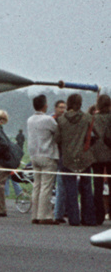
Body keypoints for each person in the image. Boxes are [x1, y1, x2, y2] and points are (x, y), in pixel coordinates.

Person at [55, 94, 95, 226]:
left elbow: (57, 139)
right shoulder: (87, 118)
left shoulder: (61, 120)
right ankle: (88, 218)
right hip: (84, 156)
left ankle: (73, 219)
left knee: (70, 189)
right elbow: (96, 134)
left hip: (67, 157)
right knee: (87, 188)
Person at [25, 94, 59, 225]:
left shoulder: (30, 119)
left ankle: (35, 214)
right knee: (46, 186)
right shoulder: (48, 120)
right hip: (47, 154)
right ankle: (44, 215)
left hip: (34, 155)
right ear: (45, 105)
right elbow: (57, 132)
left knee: (37, 186)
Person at [90, 94, 111, 225]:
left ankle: (99, 215)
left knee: (97, 185)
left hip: (96, 154)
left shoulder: (93, 118)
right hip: (110, 153)